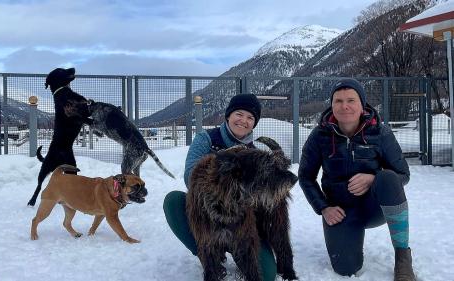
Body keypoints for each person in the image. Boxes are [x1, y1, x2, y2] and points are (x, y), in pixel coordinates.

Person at [298, 78, 415, 281]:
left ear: (362, 104)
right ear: (332, 105)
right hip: (341, 212)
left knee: (388, 177)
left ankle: (402, 255)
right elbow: (305, 176)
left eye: (351, 100)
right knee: (345, 269)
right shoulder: (319, 136)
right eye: (338, 101)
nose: (345, 106)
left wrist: (373, 178)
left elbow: (403, 174)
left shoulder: (381, 132)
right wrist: (324, 207)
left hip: (374, 207)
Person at [163, 94, 279, 281]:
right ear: (228, 116)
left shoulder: (255, 151)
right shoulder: (206, 139)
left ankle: (241, 252)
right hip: (208, 217)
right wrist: (221, 167)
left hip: (243, 225)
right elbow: (190, 176)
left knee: (266, 275)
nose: (244, 121)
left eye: (250, 118)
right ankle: (209, 255)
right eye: (239, 114)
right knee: (173, 201)